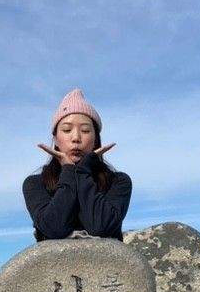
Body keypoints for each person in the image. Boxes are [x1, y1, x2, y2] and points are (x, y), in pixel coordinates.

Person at [22, 89, 132, 242]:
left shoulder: (118, 181)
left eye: (85, 130)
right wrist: (68, 171)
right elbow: (54, 227)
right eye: (67, 130)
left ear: (95, 139)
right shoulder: (35, 184)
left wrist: (82, 172)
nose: (76, 138)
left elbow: (101, 226)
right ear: (56, 139)